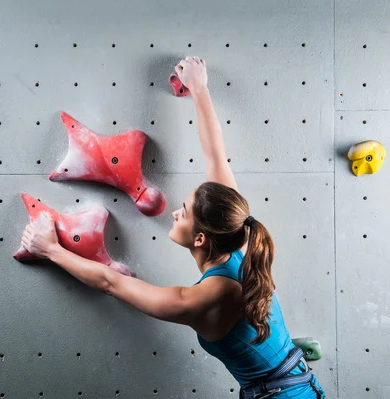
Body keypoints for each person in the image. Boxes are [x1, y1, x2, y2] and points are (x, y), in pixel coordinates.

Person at [20, 56, 325, 398]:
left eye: (185, 211)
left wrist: (50, 249)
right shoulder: (242, 234)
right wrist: (199, 87)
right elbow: (215, 156)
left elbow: (111, 283)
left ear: (200, 237)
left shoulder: (204, 298)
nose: (176, 213)